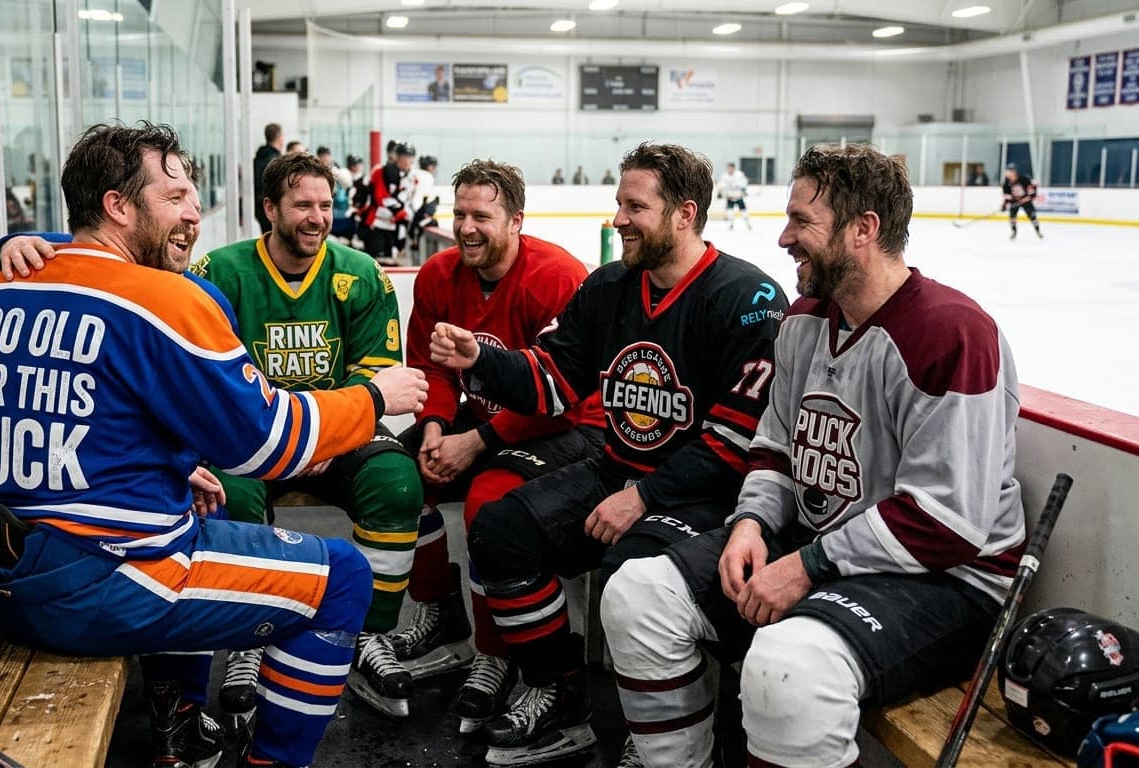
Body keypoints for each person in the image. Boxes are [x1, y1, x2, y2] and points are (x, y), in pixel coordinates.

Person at [0, 121, 429, 768]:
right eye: (175, 197)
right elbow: (268, 445)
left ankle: (182, 730)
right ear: (118, 206)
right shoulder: (165, 298)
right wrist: (375, 400)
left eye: (194, 197)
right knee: (341, 580)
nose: (195, 213)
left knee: (200, 504)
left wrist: (170, 469)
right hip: (101, 588)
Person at [600, 143, 1025, 768]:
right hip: (829, 544)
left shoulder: (951, 333)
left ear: (863, 230)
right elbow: (774, 448)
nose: (782, 239)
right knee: (638, 594)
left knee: (787, 670)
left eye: (802, 222)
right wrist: (751, 524)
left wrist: (806, 565)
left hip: (950, 578)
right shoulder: (803, 321)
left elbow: (945, 522)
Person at [428, 142, 788, 766]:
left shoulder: (746, 297)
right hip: (615, 470)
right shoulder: (611, 286)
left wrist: (643, 498)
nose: (617, 218)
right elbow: (554, 383)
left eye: (633, 206)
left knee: (632, 574)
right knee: (502, 528)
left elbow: (736, 441)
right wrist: (482, 360)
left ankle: (661, 741)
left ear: (684, 212)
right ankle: (562, 695)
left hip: (703, 496)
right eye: (618, 203)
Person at [190, 151, 425, 722]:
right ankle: (248, 635)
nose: (317, 216)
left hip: (337, 434)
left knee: (397, 483)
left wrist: (326, 436)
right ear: (269, 209)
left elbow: (378, 374)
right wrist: (288, 436)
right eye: (302, 205)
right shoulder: (219, 272)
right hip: (251, 437)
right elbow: (207, 378)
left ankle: (369, 636)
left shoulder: (359, 272)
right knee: (232, 498)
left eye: (325, 204)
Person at [391, 159, 605, 733]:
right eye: (459, 213)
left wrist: (476, 441)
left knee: (490, 501)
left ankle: (495, 651)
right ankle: (438, 610)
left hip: (568, 427)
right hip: (473, 419)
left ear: (516, 221)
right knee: (399, 475)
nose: (466, 227)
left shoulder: (555, 277)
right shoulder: (439, 275)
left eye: (481, 216)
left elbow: (563, 395)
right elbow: (430, 367)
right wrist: (436, 425)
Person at [359, 141, 417, 264]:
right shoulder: (381, 172)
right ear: (397, 157)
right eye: (404, 156)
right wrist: (400, 211)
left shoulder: (412, 178)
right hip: (376, 225)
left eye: (410, 157)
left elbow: (409, 201)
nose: (407, 161)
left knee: (391, 264)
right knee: (374, 263)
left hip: (394, 227)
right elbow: (380, 198)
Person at [253, 122, 283, 233]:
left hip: (260, 207)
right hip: (271, 206)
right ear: (280, 137)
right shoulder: (275, 160)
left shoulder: (259, 157)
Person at [1002, 163, 1042, 240]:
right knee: (1012, 217)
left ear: (1014, 172)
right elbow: (1007, 195)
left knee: (1032, 216)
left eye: (1010, 171)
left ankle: (1038, 231)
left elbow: (1033, 194)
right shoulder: (1006, 182)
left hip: (1026, 200)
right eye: (1007, 171)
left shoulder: (1024, 179)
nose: (1008, 173)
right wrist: (1004, 204)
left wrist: (1023, 200)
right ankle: (1014, 232)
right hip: (1014, 201)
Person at [718, 162, 752, 231]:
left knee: (744, 212)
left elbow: (745, 182)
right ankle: (731, 225)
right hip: (730, 197)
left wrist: (744, 190)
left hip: (738, 196)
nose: (729, 169)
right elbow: (721, 185)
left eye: (731, 168)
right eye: (728, 168)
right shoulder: (724, 176)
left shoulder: (739, 174)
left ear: (734, 168)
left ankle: (748, 224)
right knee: (730, 212)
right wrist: (720, 193)